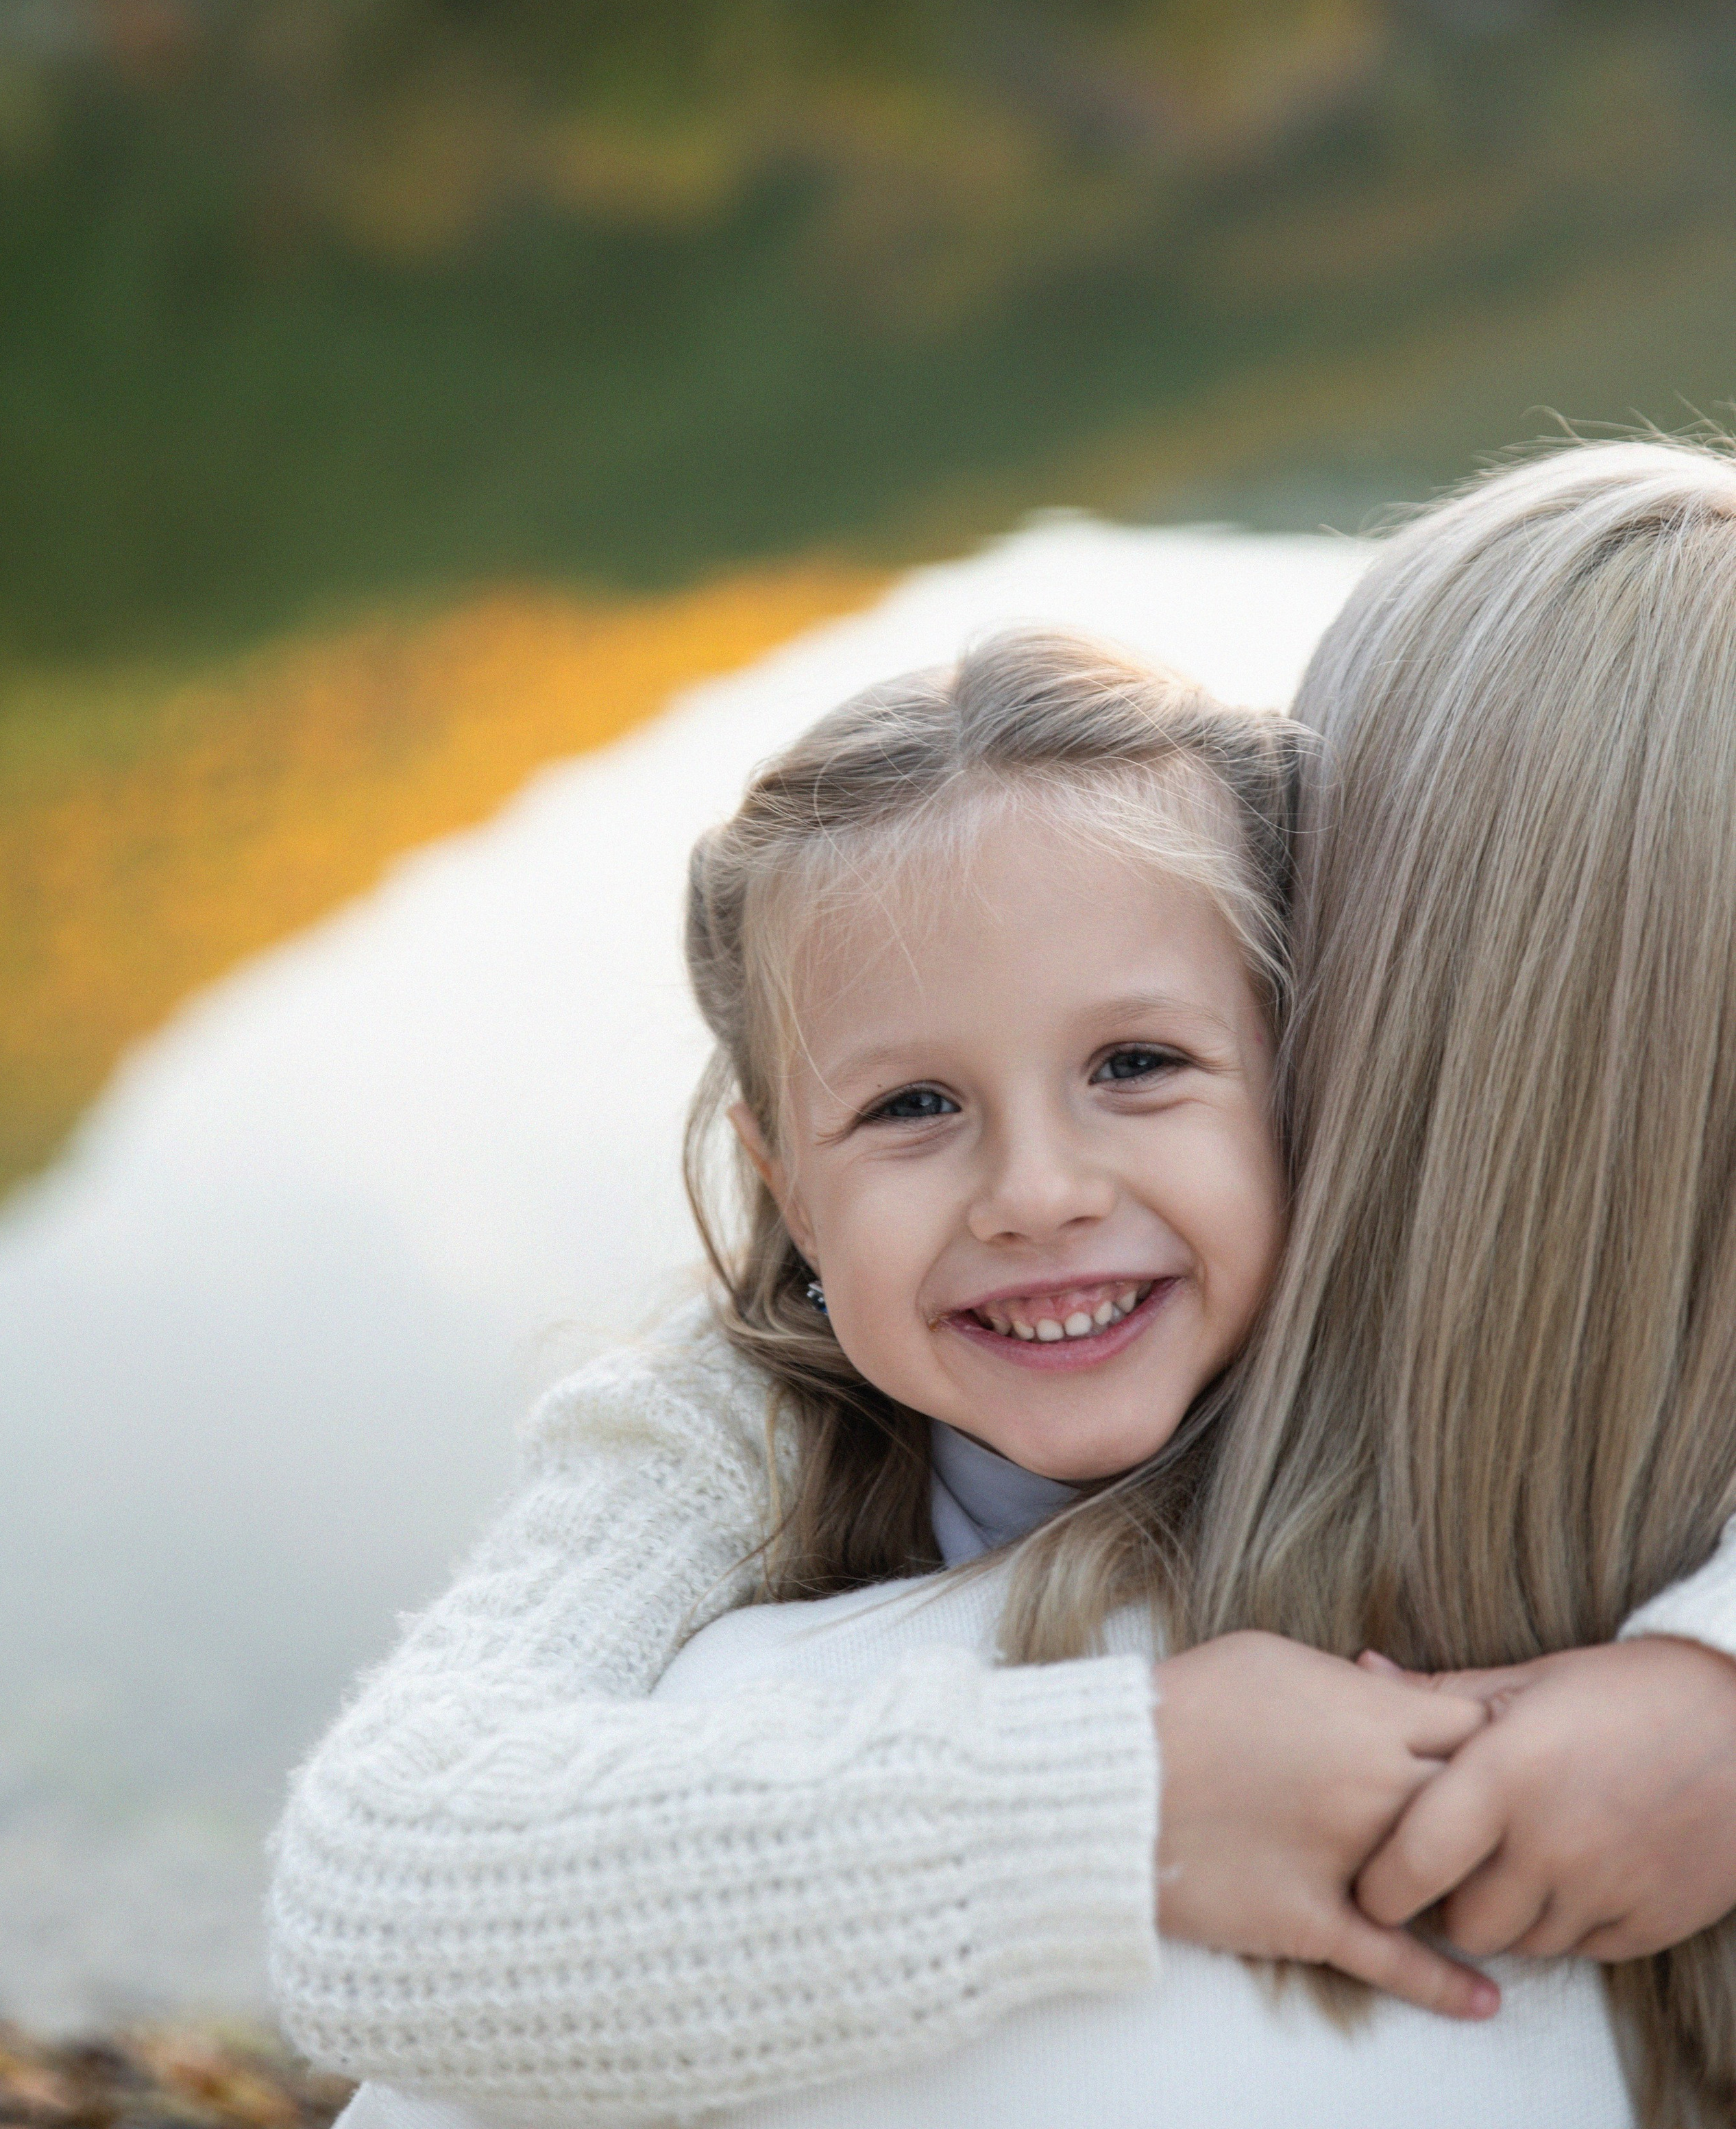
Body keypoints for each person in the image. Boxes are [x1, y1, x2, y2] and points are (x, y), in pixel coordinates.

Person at [270, 455, 1736, 2125]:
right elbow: (377, 1886)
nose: (1037, 1194)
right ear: (780, 1182)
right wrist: (1126, 1799)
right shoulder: (736, 1416)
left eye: (1136, 1062)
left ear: (1304, 1046)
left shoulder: (1370, 1338)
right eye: (910, 1107)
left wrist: (1707, 1679)